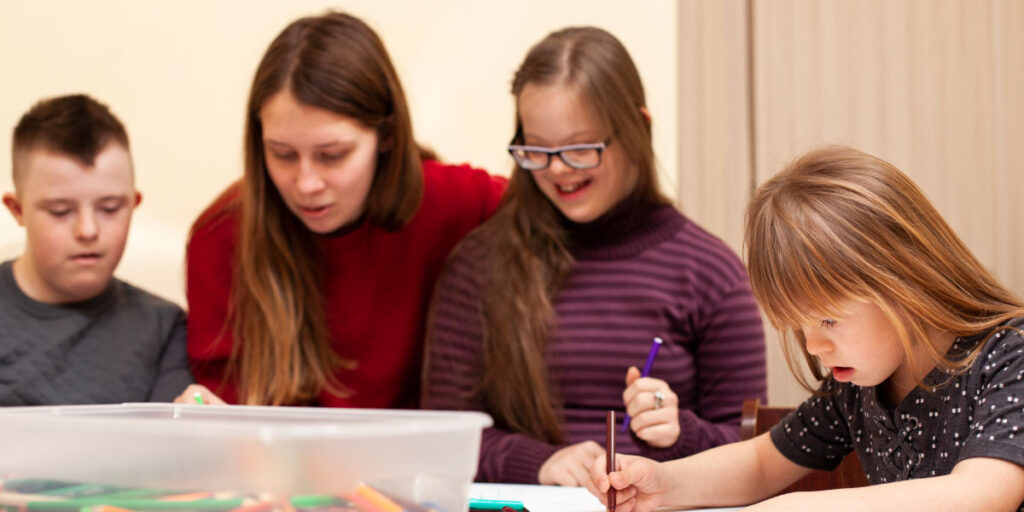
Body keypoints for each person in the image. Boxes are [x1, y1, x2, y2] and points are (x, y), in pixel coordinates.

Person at [587, 146, 1024, 512]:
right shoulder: (858, 384)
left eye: (828, 320)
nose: (814, 345)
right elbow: (762, 462)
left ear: (904, 282)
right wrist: (663, 484)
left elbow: (984, 491)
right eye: (799, 326)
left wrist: (797, 508)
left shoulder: (1010, 354)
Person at [421, 26, 766, 485]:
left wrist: (682, 434)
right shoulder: (480, 265)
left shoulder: (710, 273)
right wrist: (539, 462)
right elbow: (443, 438)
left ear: (638, 129)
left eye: (580, 149)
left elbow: (753, 458)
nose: (559, 169)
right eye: (537, 150)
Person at [178, 11, 505, 407]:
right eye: (281, 154)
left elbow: (563, 217)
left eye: (332, 155)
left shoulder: (455, 200)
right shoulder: (221, 235)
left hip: (424, 463)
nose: (306, 184)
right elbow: (227, 406)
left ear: (386, 135)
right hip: (283, 466)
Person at [0, 94, 194, 405]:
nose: (88, 231)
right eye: (60, 211)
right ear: (17, 210)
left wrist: (200, 416)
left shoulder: (164, 327)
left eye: (110, 207)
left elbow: (172, 441)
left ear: (134, 203)